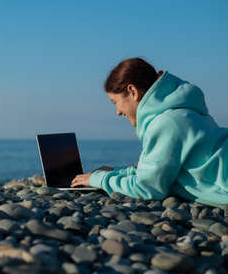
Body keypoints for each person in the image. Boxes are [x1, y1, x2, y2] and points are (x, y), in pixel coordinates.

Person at [71, 57, 228, 207]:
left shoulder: (167, 123)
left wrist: (99, 179)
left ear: (132, 91)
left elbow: (147, 189)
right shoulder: (182, 113)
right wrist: (118, 172)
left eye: (116, 102)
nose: (117, 112)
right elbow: (162, 171)